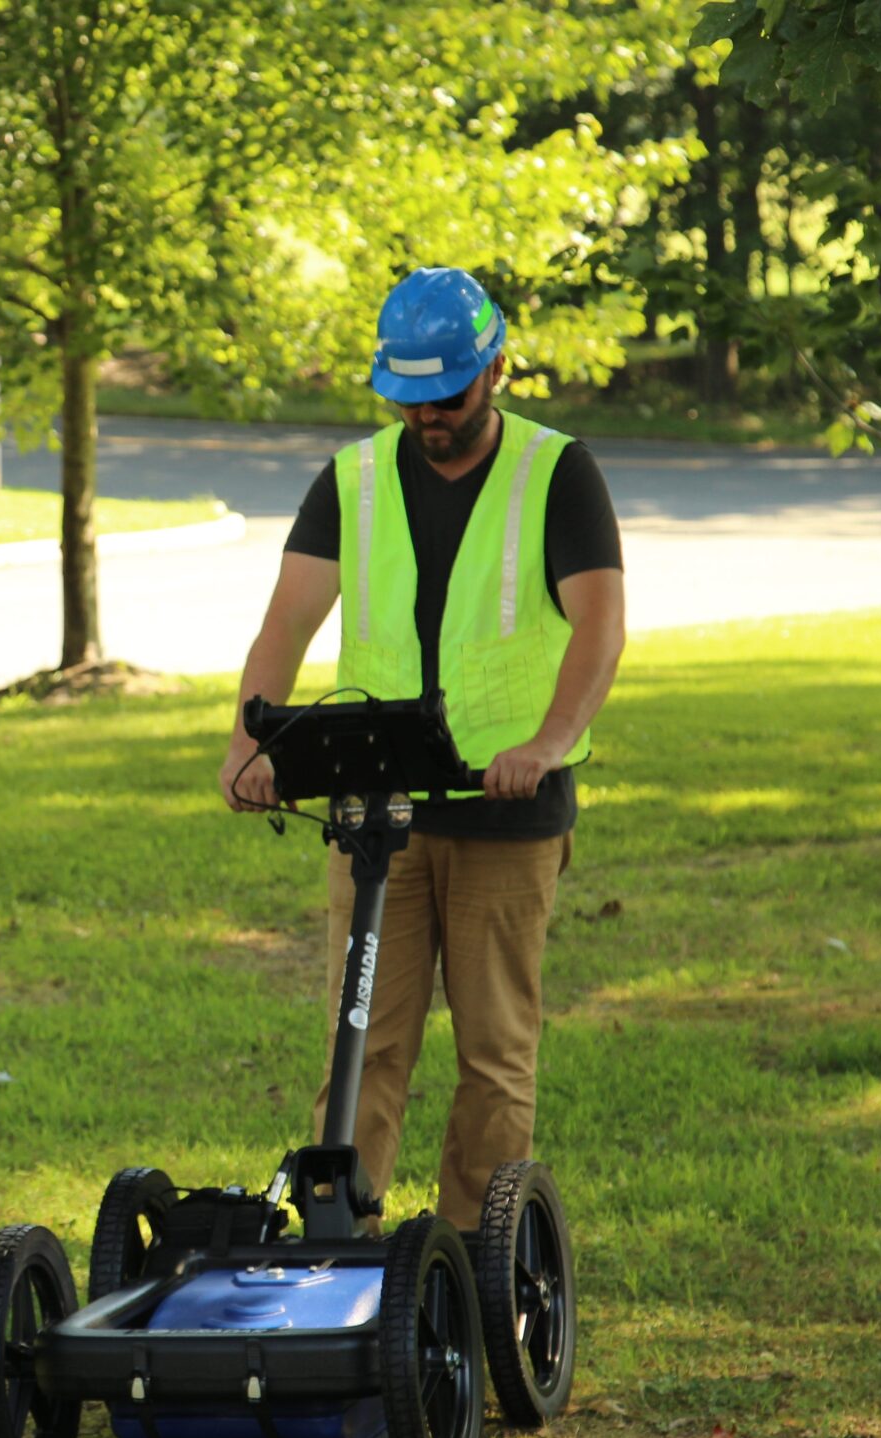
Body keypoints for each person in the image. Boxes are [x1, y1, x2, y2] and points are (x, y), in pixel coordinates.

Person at [219, 267, 626, 1233]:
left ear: (493, 370)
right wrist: (248, 739)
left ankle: (475, 1272)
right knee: (363, 1046)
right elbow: (287, 621)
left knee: (494, 1056)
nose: (429, 417)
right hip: (376, 816)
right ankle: (338, 1264)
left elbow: (600, 627)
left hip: (506, 810)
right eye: (409, 399)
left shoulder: (555, 472)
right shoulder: (355, 479)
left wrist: (549, 742)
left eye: (446, 396)